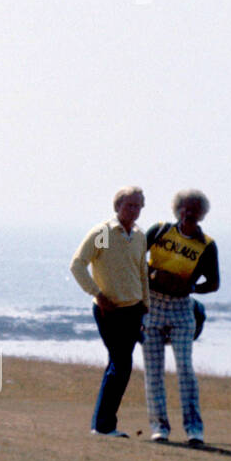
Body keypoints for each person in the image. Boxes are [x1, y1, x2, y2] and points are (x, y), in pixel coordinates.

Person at [70, 187, 150, 438]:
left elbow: (142, 274)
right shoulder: (104, 232)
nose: (134, 210)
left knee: (118, 364)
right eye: (129, 205)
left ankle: (103, 424)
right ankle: (104, 426)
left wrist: (145, 307)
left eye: (138, 206)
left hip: (133, 310)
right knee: (121, 364)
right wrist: (98, 294)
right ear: (117, 207)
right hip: (109, 311)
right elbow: (78, 265)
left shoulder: (138, 236)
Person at [142, 189, 219, 446]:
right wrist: (152, 275)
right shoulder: (160, 231)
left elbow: (214, 282)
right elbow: (135, 258)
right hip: (152, 306)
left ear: (202, 215)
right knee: (153, 371)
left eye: (195, 210)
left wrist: (192, 287)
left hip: (182, 308)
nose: (189, 213)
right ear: (177, 209)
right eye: (185, 208)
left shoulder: (206, 245)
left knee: (185, 369)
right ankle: (159, 427)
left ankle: (194, 429)